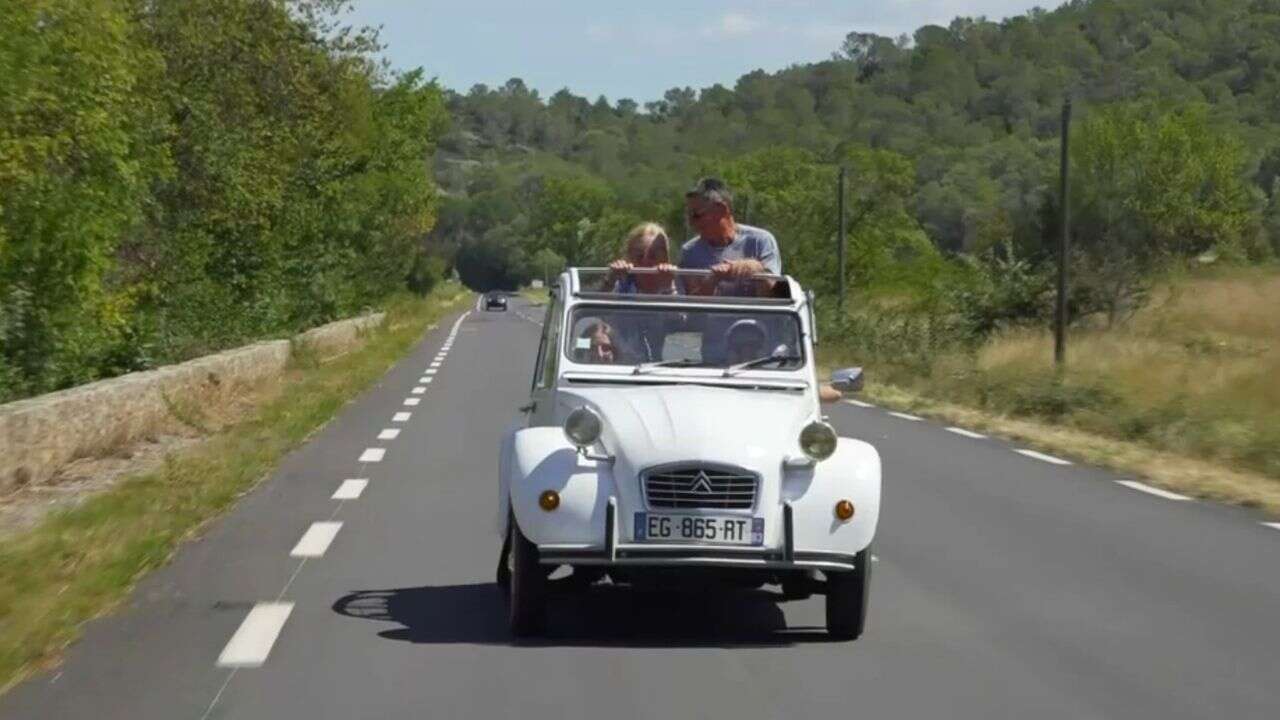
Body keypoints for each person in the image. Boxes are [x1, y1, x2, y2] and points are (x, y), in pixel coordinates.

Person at [679, 178, 781, 297]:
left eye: (697, 215)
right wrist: (712, 280)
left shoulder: (761, 241)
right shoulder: (690, 252)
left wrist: (757, 270)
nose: (691, 223)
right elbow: (691, 307)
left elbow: (774, 295)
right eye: (688, 216)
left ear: (722, 209)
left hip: (752, 316)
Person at [603, 223, 677, 294]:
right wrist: (610, 280)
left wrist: (668, 287)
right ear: (630, 258)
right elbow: (599, 305)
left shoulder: (679, 280)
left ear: (665, 258)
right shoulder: (622, 284)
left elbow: (678, 306)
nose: (646, 263)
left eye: (653, 256)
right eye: (639, 256)